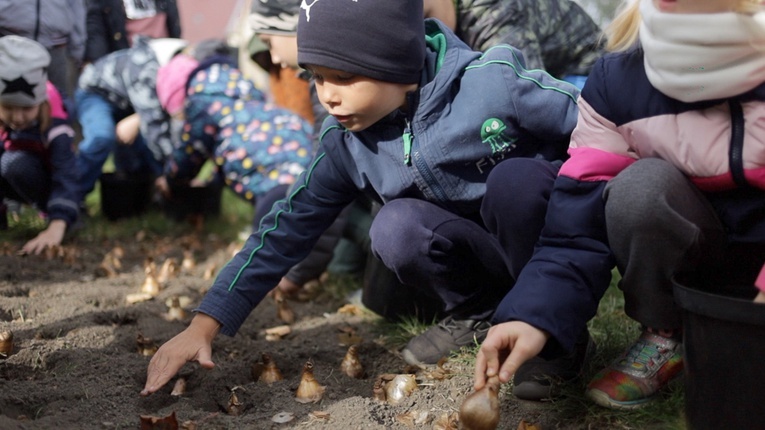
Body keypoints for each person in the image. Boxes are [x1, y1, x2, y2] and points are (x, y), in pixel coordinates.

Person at [141, 0, 580, 396]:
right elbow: (285, 229)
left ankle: (557, 331)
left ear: (396, 61)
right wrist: (204, 324)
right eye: (316, 77)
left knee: (516, 183)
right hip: (475, 250)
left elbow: (596, 126)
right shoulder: (345, 142)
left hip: (541, 247)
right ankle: (477, 312)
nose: (327, 95)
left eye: (344, 77)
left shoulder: (493, 83)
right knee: (393, 226)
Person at [474, 0, 765, 410]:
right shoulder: (619, 79)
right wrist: (535, 313)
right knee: (641, 187)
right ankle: (667, 333)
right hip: (700, 252)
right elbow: (575, 225)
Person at [154, 50, 313, 232]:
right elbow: (233, 151)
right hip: (309, 161)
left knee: (270, 246)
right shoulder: (240, 96)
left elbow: (189, 153)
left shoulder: (202, 105)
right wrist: (210, 182)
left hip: (278, 183)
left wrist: (170, 179)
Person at [74, 36, 187, 206]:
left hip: (128, 102)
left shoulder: (173, 71)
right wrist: (175, 172)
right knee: (101, 137)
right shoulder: (145, 69)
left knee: (140, 146)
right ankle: (71, 196)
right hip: (96, 94)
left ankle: (144, 197)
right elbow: (154, 124)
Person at [0, 36, 79, 254]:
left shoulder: (55, 122)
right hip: (17, 170)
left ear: (40, 101)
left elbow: (66, 173)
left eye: (26, 109)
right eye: (9, 108)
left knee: (13, 164)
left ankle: (58, 214)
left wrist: (57, 225)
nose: (17, 117)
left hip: (46, 178)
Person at [423, 0, 604, 88]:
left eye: (427, 18)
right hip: (555, 74)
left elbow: (524, 87)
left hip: (589, 72)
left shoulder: (491, 12)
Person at [0, 0, 87, 103]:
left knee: (59, 103)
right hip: (10, 47)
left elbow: (76, 7)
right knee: (10, 102)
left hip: (56, 49)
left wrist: (77, 51)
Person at [84, 0, 182, 64]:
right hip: (128, 60)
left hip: (164, 55)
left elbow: (173, 21)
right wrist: (98, 63)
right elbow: (96, 27)